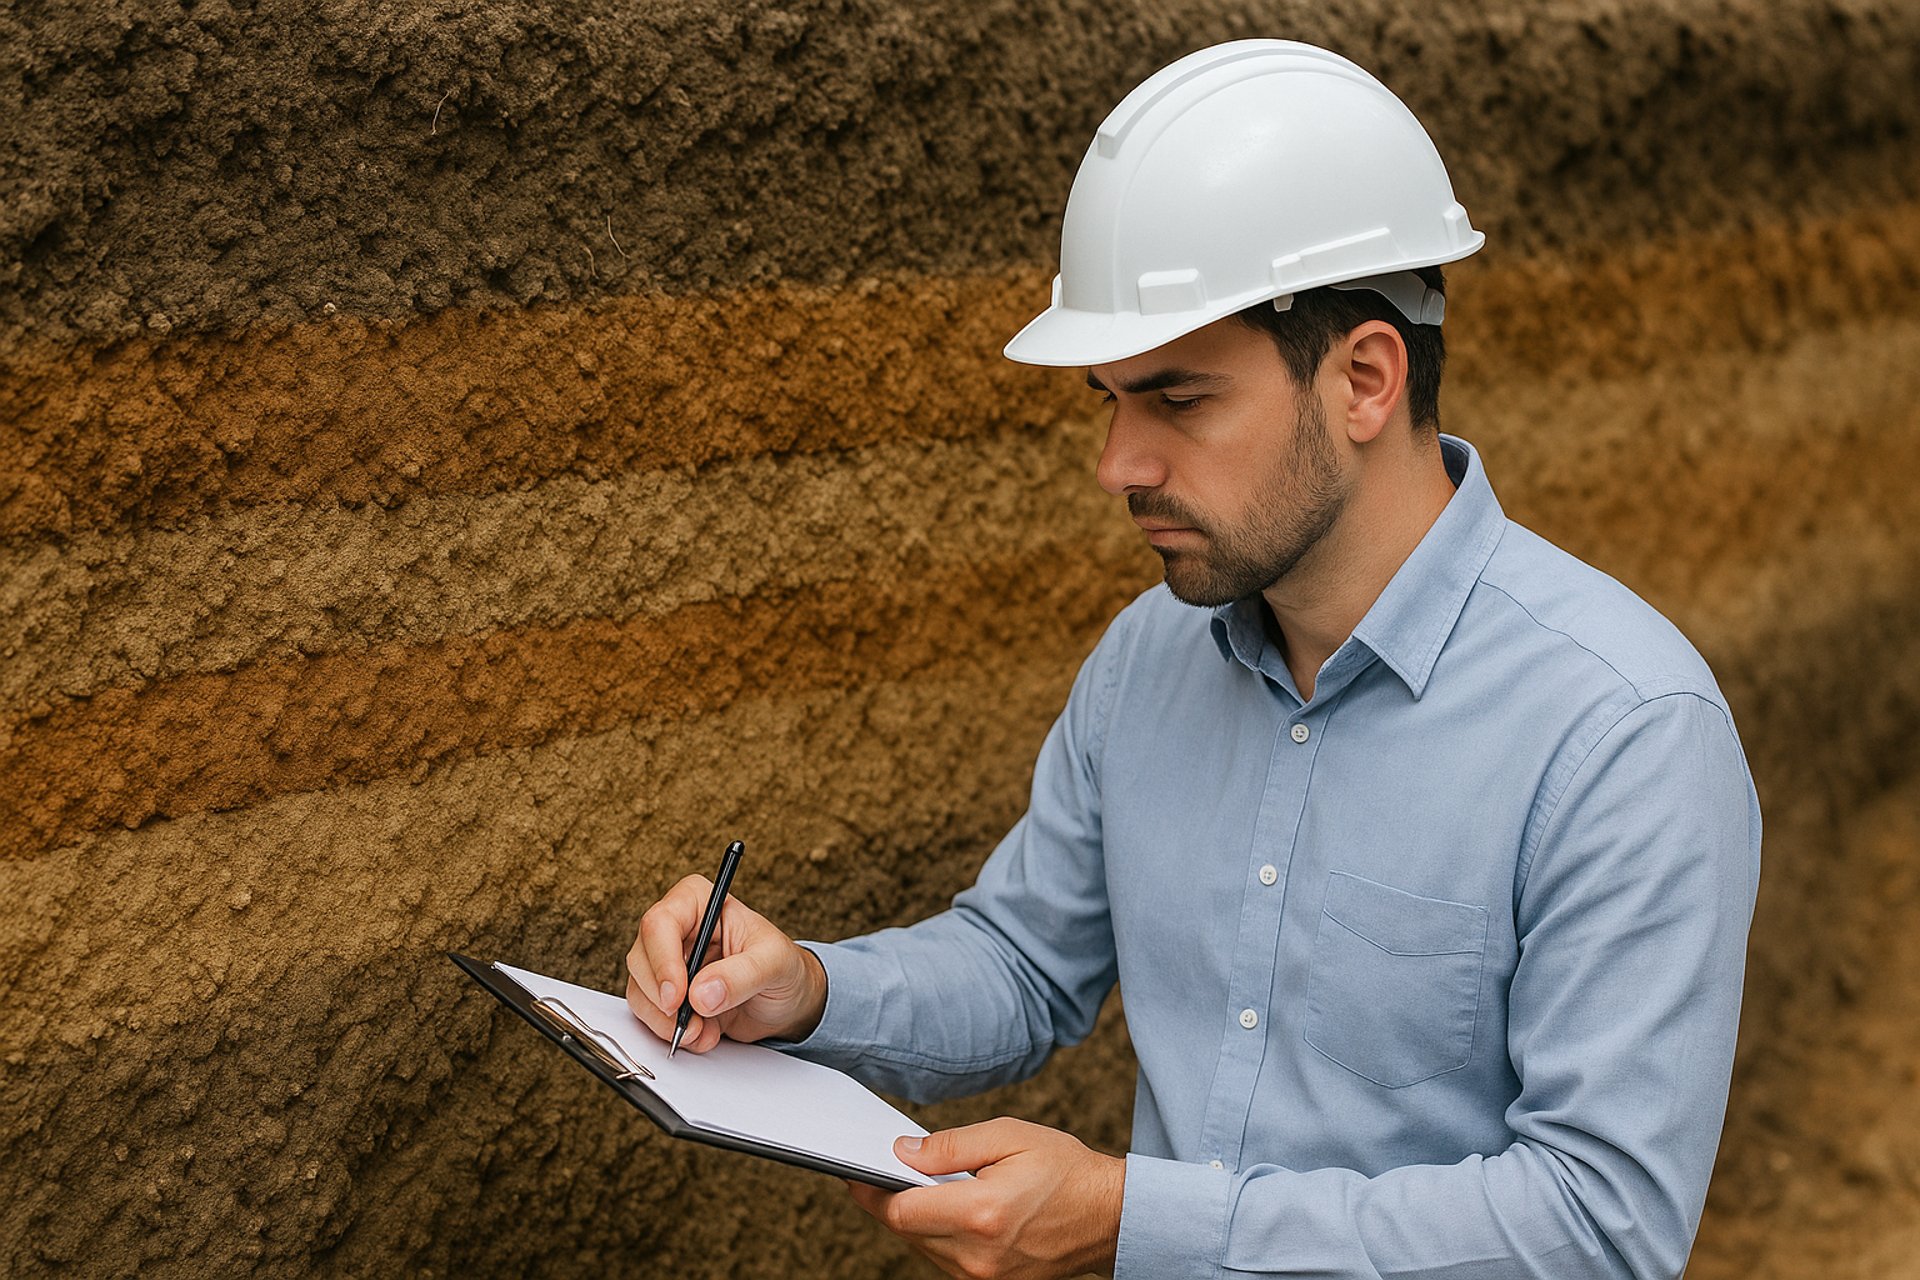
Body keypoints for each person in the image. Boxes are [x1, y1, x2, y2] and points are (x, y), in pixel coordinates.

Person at [625, 39, 1760, 1280]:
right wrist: (804, 990)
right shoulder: (1147, 659)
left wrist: (1134, 1218)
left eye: (1178, 399)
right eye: (1110, 401)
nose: (1119, 463)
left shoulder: (1625, 730)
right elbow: (1019, 964)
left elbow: (1598, 1224)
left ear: (1365, 378)